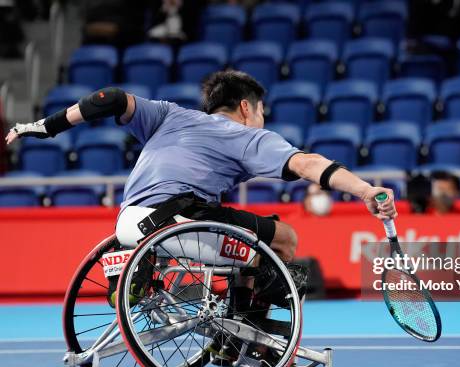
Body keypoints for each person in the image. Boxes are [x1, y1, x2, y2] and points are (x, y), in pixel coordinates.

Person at [5, 69, 397, 320]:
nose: (262, 120)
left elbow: (108, 97)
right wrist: (365, 190)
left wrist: (44, 126)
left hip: (127, 221)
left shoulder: (168, 115)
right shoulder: (248, 135)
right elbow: (310, 165)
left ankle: (127, 261)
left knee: (238, 224)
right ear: (247, 107)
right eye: (261, 112)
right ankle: (245, 326)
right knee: (284, 239)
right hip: (178, 221)